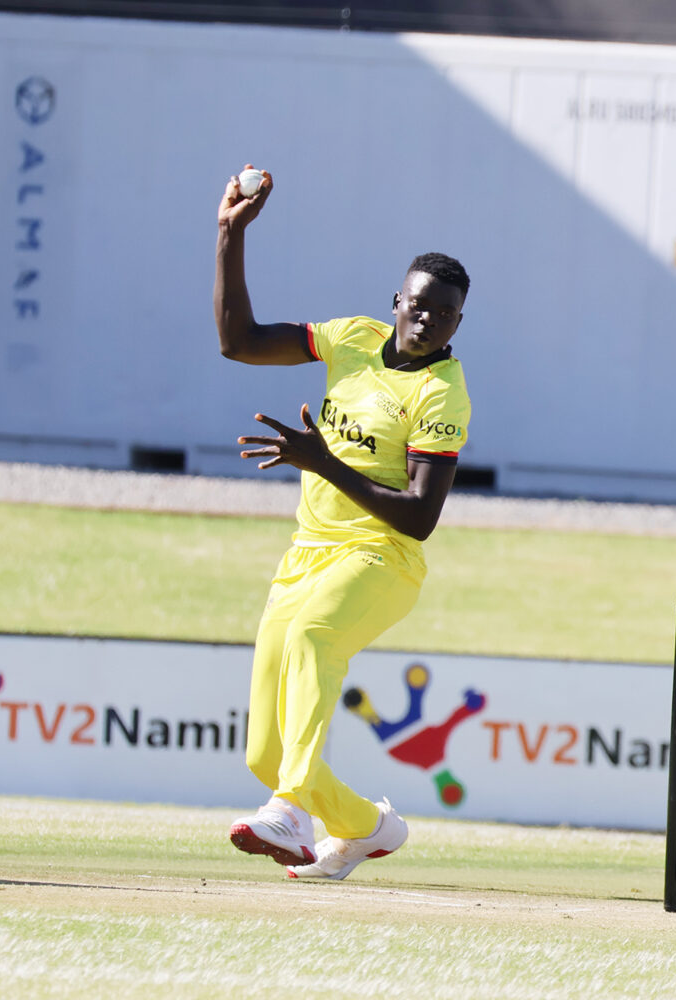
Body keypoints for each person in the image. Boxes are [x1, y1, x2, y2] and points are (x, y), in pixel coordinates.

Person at [213, 163, 473, 881]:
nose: (427, 319)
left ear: (457, 324)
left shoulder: (443, 393)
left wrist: (324, 463)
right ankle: (367, 828)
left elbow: (420, 517)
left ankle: (292, 813)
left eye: (444, 313)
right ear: (396, 302)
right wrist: (230, 235)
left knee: (313, 637)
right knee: (264, 754)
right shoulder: (352, 338)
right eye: (417, 304)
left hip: (384, 558)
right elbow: (239, 340)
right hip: (308, 554)